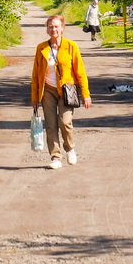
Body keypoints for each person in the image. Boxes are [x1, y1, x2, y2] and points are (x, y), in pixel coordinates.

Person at [31, 13, 91, 169]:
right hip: (47, 90)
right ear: (47, 29)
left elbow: (80, 72)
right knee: (51, 125)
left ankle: (70, 149)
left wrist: (86, 94)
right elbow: (36, 75)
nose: (53, 29)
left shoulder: (71, 46)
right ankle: (55, 157)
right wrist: (35, 97)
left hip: (66, 90)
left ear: (62, 28)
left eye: (57, 26)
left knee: (65, 122)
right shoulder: (41, 48)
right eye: (50, 27)